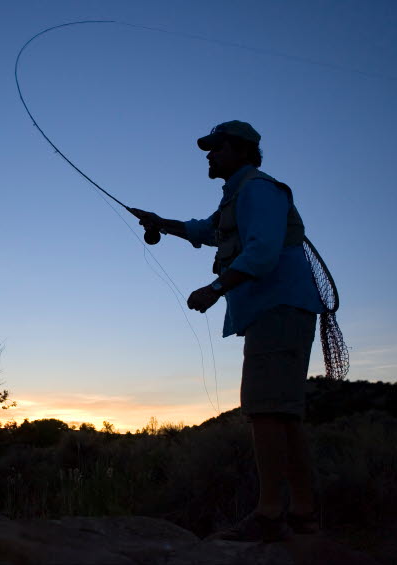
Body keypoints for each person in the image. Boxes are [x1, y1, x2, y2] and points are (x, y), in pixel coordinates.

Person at [130, 121, 324, 542]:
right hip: (274, 311)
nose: (209, 155)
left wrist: (215, 288)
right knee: (280, 413)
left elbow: (263, 252)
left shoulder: (258, 189)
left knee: (265, 410)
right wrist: (162, 222)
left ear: (240, 150)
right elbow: (206, 229)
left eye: (217, 147)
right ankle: (303, 515)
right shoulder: (238, 195)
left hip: (281, 308)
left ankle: (271, 515)